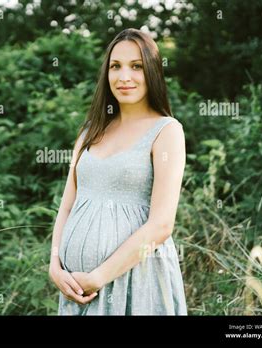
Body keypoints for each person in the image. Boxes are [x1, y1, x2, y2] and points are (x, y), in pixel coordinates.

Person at [48, 28, 188, 315]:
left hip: (134, 281)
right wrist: (54, 266)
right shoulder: (90, 131)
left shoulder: (166, 131)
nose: (124, 76)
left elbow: (161, 225)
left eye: (136, 66)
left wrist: (98, 276)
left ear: (152, 71)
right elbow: (66, 207)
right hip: (75, 286)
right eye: (116, 66)